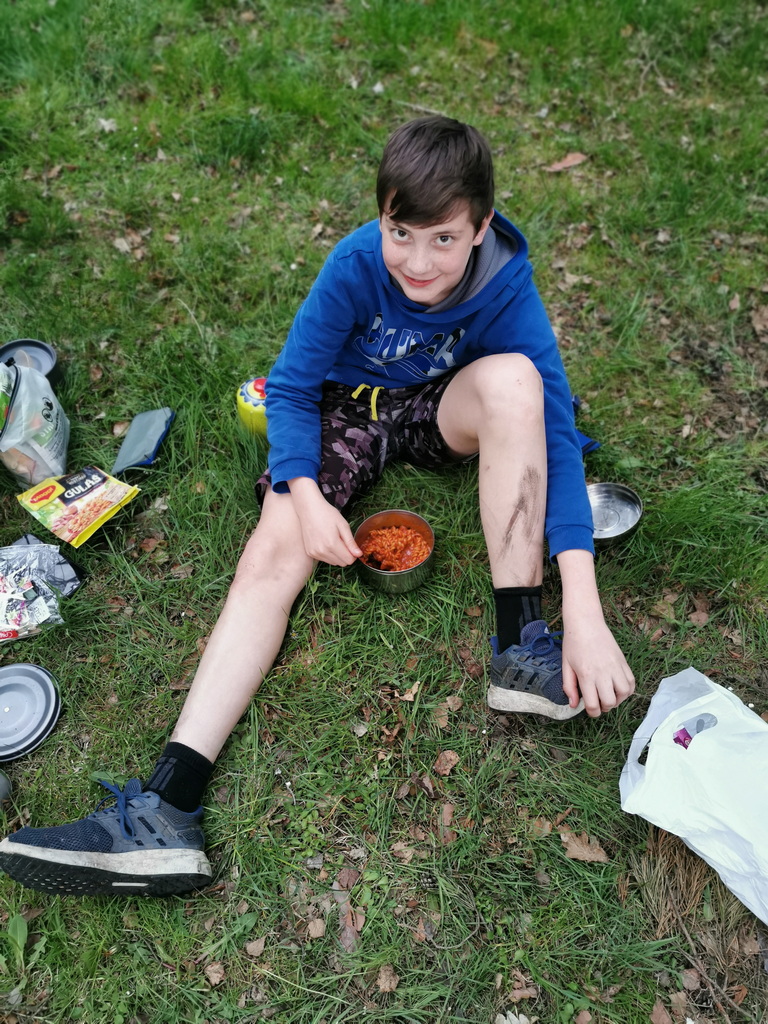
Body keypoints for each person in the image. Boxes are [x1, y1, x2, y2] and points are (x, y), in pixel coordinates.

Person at [0, 116, 635, 897]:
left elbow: (556, 431)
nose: (418, 263)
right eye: (401, 233)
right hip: (344, 406)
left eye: (443, 239)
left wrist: (585, 609)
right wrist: (303, 494)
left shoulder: (504, 281)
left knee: (519, 385)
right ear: (381, 218)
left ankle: (521, 646)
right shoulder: (355, 266)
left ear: (481, 227)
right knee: (273, 552)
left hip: (438, 405)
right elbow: (294, 389)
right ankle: (168, 805)